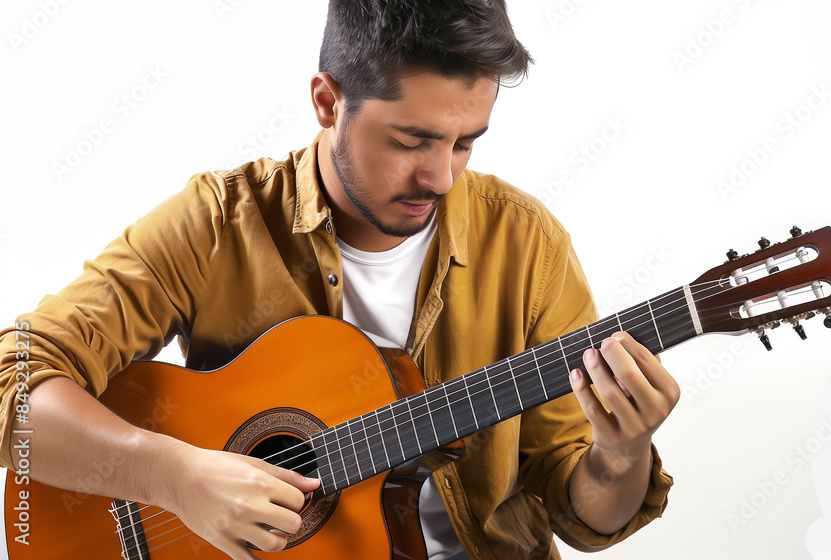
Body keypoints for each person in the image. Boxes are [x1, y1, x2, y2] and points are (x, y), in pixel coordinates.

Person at [0, 1, 679, 559]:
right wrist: (175, 477)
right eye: (412, 141)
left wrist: (622, 454)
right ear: (328, 101)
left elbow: (582, 515)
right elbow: (13, 377)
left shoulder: (527, 244)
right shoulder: (216, 223)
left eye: (466, 141)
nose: (441, 178)